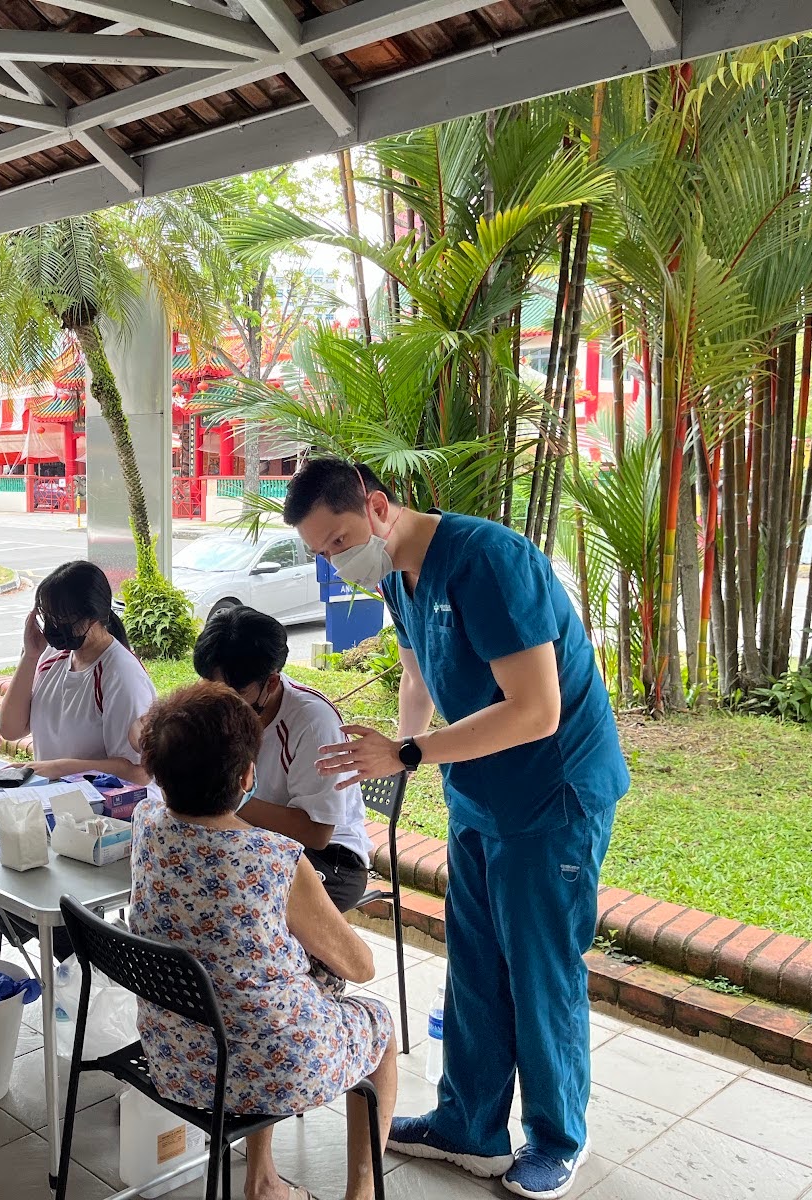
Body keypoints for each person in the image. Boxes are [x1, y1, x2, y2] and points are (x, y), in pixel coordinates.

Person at [284, 458, 628, 1200]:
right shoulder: (396, 577)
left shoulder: (488, 561)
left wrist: (412, 751)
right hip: (478, 794)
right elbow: (417, 678)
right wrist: (395, 755)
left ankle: (557, 1138)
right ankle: (469, 1126)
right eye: (321, 552)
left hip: (551, 794)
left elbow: (537, 709)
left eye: (339, 539)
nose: (337, 561)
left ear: (378, 506)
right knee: (472, 961)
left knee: (539, 967)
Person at [129, 682, 397, 1200]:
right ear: (247, 777)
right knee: (378, 1025)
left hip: (175, 1058)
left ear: (157, 772)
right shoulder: (276, 860)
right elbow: (360, 966)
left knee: (271, 985)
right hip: (272, 1068)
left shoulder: (147, 826)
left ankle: (263, 1179)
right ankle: (360, 1196)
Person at [192, 605, 374, 912]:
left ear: (272, 683)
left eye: (235, 694)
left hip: (331, 860)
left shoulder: (313, 723)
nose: (220, 703)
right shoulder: (220, 701)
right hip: (256, 839)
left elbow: (317, 833)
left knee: (232, 902)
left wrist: (224, 798)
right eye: (210, 687)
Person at [0, 559, 155, 785]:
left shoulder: (121, 675)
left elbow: (138, 773)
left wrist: (59, 768)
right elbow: (11, 729)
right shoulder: (52, 657)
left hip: (105, 803)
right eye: (48, 616)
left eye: (63, 618)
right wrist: (29, 657)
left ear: (93, 616)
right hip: (59, 796)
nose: (54, 626)